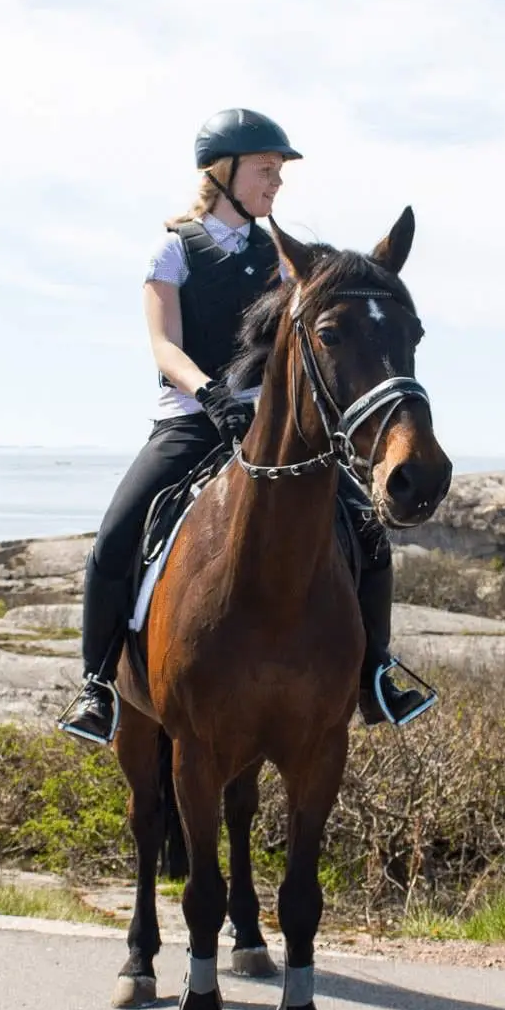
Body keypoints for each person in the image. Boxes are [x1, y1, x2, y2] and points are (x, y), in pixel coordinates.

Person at [57, 109, 437, 746]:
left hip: (272, 431)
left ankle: (377, 673)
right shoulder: (174, 249)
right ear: (223, 171)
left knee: (367, 536)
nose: (277, 182)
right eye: (267, 169)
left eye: (280, 171)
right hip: (190, 421)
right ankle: (98, 687)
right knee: (113, 541)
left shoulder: (285, 258)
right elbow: (163, 346)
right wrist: (211, 395)